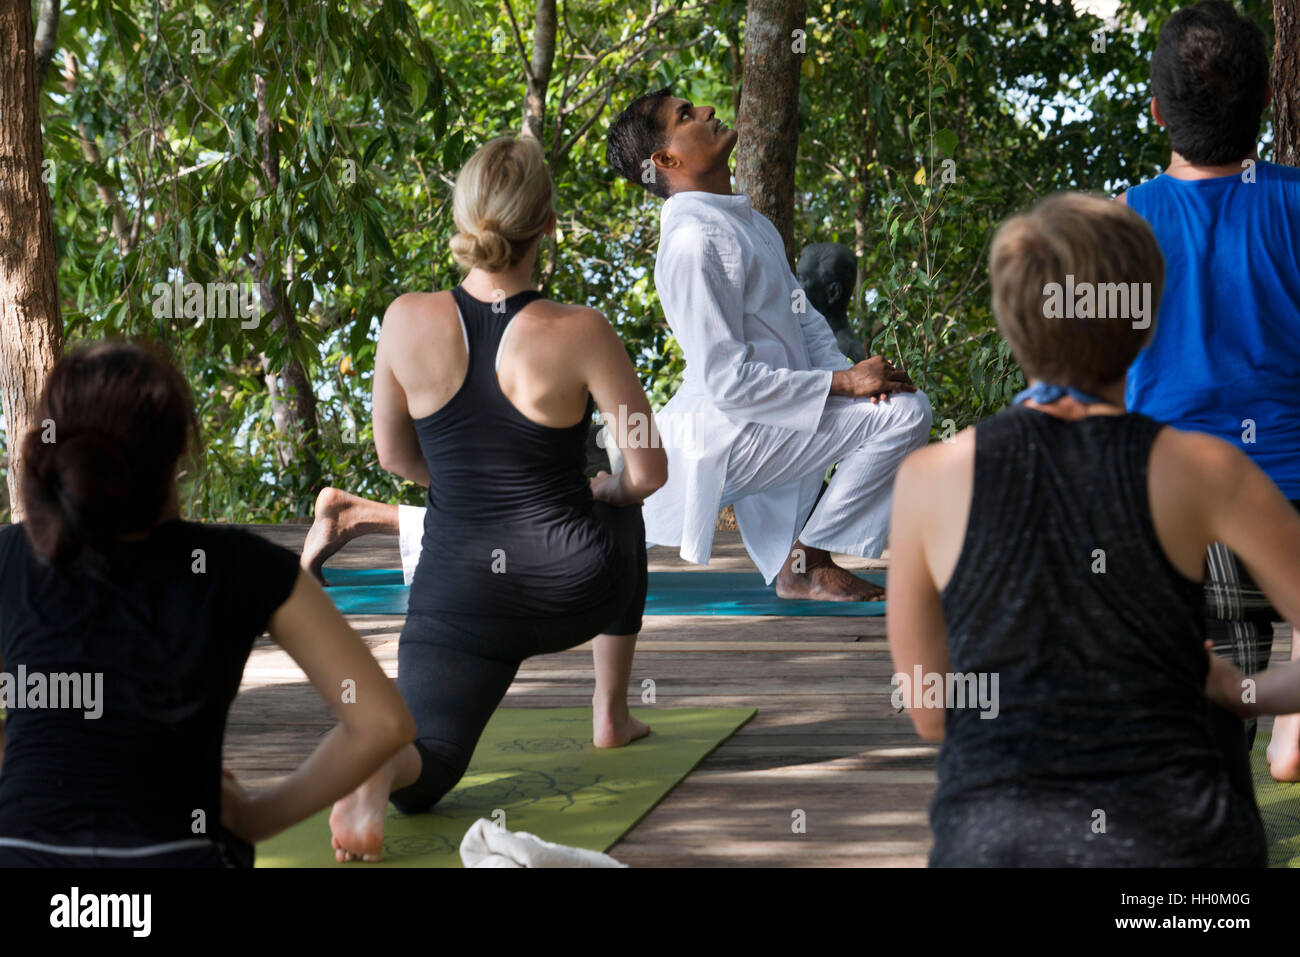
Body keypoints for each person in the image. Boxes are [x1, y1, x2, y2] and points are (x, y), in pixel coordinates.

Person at [886, 192, 1293, 866]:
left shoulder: (929, 478)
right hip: (1183, 850)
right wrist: (1238, 688)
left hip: (995, 843)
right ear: (1146, 319)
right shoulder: (1204, 468)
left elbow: (932, 713)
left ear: (1011, 319)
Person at [326, 135, 666, 862]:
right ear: (548, 225)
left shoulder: (404, 319)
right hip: (572, 583)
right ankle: (610, 713)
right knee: (622, 509)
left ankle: (383, 763)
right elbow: (648, 467)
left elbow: (395, 457)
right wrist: (609, 488)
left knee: (431, 762)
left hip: (456, 594)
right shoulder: (583, 331)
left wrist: (460, 478)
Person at [0, 342, 415, 867]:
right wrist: (257, 816)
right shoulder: (240, 565)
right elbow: (383, 723)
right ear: (177, 455)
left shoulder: (10, 558)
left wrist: (32, 766)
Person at [604, 87, 931, 602]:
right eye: (686, 115)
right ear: (666, 159)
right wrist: (843, 383)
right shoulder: (692, 242)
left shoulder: (749, 223)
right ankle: (805, 566)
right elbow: (725, 381)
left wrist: (857, 381)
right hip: (720, 437)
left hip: (762, 423)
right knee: (566, 550)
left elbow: (806, 324)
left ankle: (803, 564)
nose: (707, 111)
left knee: (898, 407)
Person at [1117, 0, 1300, 780]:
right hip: (1288, 500)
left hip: (1176, 507)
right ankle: (1291, 718)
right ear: (1267, 100)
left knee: (1209, 696)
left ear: (1157, 111)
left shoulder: (1122, 222)